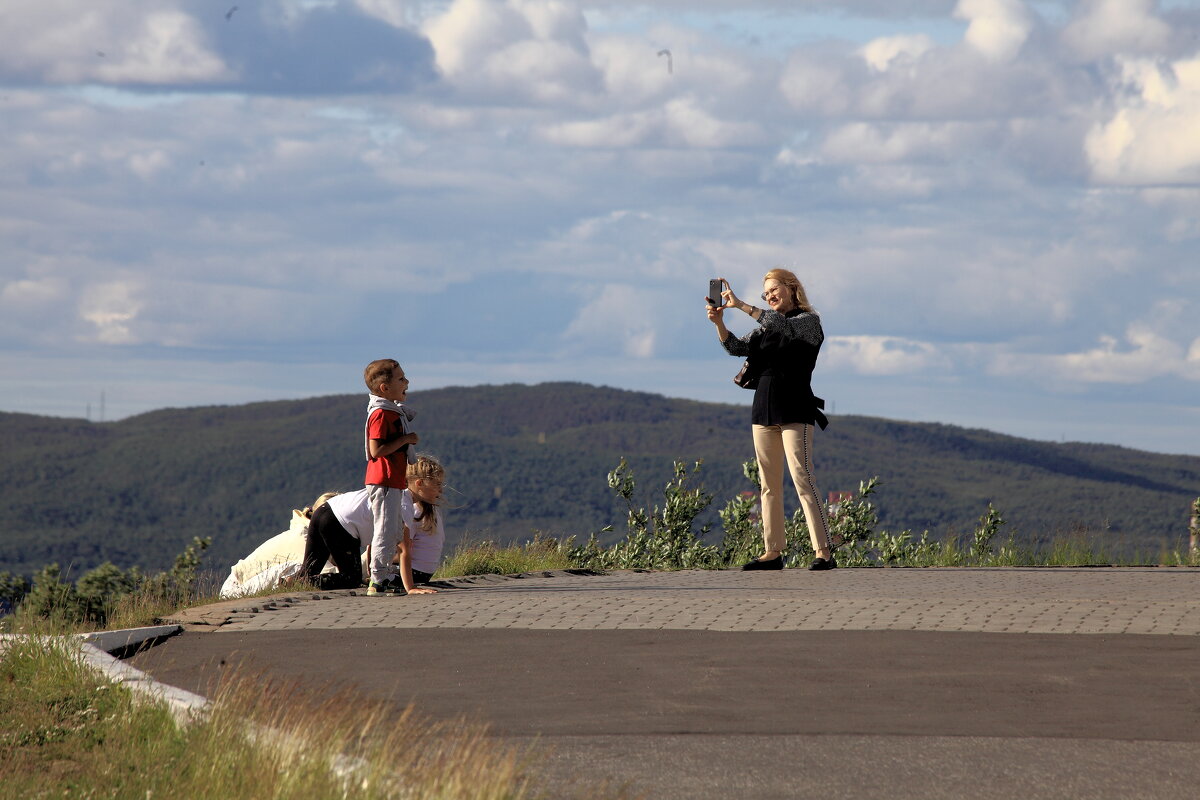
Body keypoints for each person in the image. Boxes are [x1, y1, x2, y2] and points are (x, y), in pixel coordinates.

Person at [706, 269, 836, 571]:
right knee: (768, 485)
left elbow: (782, 326)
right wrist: (719, 323)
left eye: (773, 290)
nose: (769, 296)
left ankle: (824, 552)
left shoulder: (809, 323)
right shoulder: (765, 327)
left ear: (791, 289)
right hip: (763, 409)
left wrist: (742, 305)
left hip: (795, 408)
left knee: (803, 479)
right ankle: (773, 552)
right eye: (765, 294)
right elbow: (735, 348)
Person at [362, 358, 420, 597]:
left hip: (392, 480)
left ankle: (385, 575)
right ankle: (377, 580)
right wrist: (405, 440)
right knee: (385, 530)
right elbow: (376, 450)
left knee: (395, 529)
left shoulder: (392, 412)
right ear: (385, 388)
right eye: (401, 379)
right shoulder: (381, 414)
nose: (407, 382)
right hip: (383, 480)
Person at [219, 492, 339, 598]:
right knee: (302, 568)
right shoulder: (302, 537)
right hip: (234, 590)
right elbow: (325, 571)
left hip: (251, 584)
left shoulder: (321, 536)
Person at [398, 455, 448, 589]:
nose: (441, 490)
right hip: (425, 573)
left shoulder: (412, 511)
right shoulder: (433, 512)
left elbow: (404, 551)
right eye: (437, 484)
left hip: (412, 572)